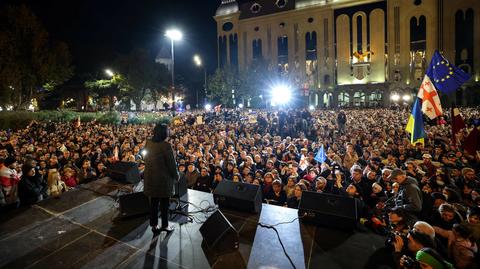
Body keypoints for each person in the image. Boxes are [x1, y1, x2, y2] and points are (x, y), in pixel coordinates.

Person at [143, 123, 178, 234]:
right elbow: (171, 165)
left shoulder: (148, 143)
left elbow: (145, 158)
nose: (169, 131)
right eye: (168, 130)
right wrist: (176, 176)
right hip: (163, 180)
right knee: (164, 204)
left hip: (151, 178)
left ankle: (154, 225)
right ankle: (165, 225)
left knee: (153, 203)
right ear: (164, 132)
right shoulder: (166, 146)